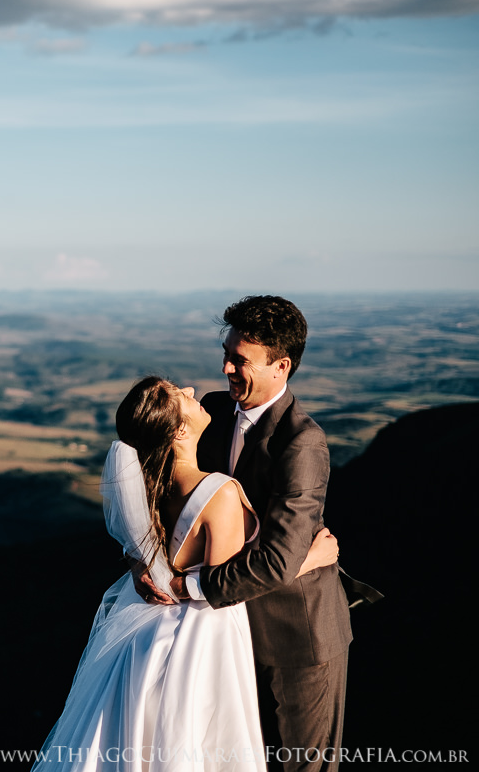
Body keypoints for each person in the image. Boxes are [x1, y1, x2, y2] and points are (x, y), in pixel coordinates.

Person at [32, 377, 339, 771]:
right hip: (199, 637)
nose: (194, 392)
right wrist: (310, 560)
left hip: (146, 636)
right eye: (182, 395)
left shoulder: (148, 484)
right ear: (178, 430)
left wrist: (140, 565)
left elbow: (142, 546)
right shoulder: (219, 494)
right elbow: (230, 585)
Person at [140, 296, 354, 772]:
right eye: (227, 353)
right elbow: (164, 502)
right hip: (225, 633)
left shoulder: (301, 442)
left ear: (282, 366)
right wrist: (146, 561)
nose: (225, 367)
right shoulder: (212, 412)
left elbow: (277, 561)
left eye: (240, 360)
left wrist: (186, 587)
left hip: (295, 637)